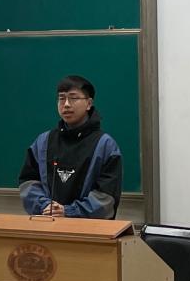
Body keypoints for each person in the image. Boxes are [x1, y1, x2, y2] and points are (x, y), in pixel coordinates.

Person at [18, 75, 122, 219]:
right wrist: (45, 206)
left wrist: (69, 211)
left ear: (89, 103)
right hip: (47, 223)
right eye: (61, 98)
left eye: (73, 98)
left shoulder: (105, 145)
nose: (66, 104)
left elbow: (106, 198)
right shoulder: (43, 142)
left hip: (89, 229)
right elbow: (28, 182)